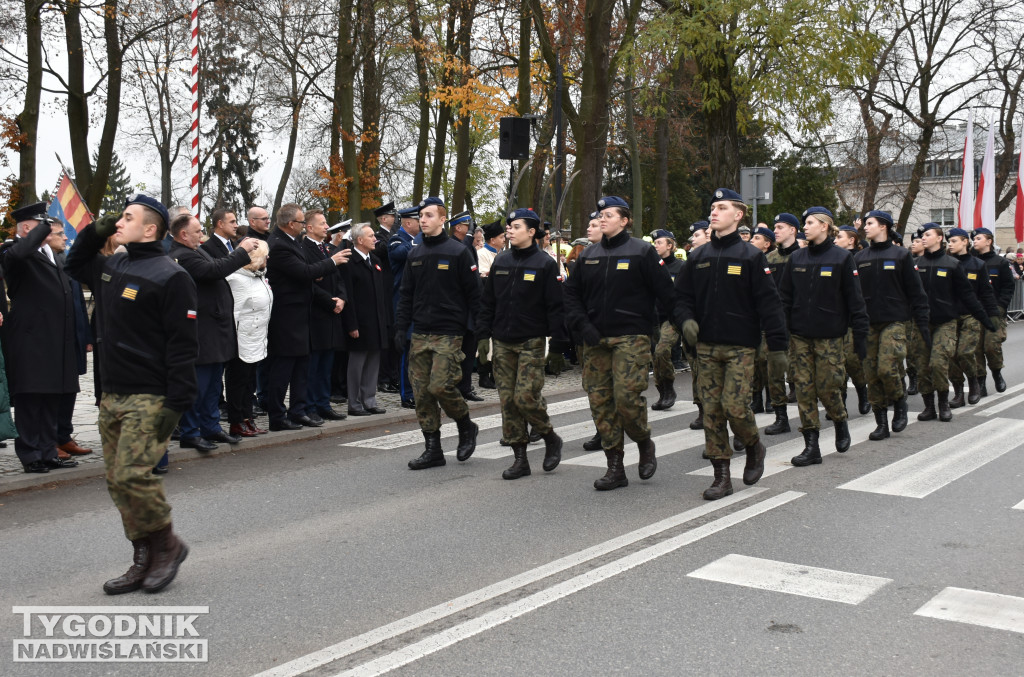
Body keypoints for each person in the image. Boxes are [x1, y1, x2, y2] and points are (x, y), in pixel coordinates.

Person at [65, 194, 198, 594]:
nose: (118, 223)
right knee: (116, 482)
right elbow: (74, 264)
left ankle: (167, 545)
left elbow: (183, 344)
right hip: (112, 392)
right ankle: (143, 557)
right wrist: (96, 230)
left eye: (126, 218)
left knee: (133, 475)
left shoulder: (171, 275)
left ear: (151, 229)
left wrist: (176, 403)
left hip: (150, 393)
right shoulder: (115, 264)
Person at [676, 189, 787, 500]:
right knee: (711, 412)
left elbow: (770, 304)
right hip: (707, 348)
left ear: (738, 216)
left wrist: (777, 348)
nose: (714, 212)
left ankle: (754, 445)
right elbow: (681, 298)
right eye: (712, 207)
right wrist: (686, 320)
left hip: (741, 346)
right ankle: (722, 476)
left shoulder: (751, 257)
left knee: (736, 406)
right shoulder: (698, 257)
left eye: (721, 207)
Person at [564, 196, 675, 491]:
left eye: (609, 214)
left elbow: (665, 291)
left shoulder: (641, 251)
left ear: (624, 220)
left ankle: (643, 442)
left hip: (631, 337)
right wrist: (583, 326)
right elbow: (571, 295)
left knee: (626, 399)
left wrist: (678, 324)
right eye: (600, 214)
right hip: (595, 339)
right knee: (600, 403)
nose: (602, 218)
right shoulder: (588, 255)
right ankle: (615, 467)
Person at [477, 208, 567, 479]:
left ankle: (550, 437)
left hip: (532, 340)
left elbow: (555, 306)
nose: (510, 230)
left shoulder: (544, 263)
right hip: (502, 340)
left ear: (531, 232)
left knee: (525, 397)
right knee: (508, 401)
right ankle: (520, 458)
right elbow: (488, 301)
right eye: (509, 226)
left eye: (516, 226)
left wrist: (558, 345)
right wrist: (482, 335)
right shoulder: (501, 260)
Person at [395, 196, 481, 469]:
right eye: (421, 215)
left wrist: (474, 330)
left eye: (429, 215)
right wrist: (400, 328)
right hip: (420, 332)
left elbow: (474, 295)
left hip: (449, 332)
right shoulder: (415, 254)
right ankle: (433, 448)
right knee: (422, 393)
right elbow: (406, 294)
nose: (423, 219)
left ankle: (466, 425)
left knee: (441, 385)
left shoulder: (457, 251)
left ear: (442, 219)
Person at [779, 208, 868, 466]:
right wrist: (782, 331)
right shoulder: (796, 257)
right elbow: (784, 298)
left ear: (825, 226)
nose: (805, 227)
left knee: (829, 386)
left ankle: (840, 421)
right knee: (804, 389)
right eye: (804, 222)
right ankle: (811, 446)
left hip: (830, 336)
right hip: (799, 336)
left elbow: (855, 300)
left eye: (810, 223)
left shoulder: (841, 258)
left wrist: (860, 337)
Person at [0, 203, 80, 473]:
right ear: (26, 228)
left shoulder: (52, 255)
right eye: (41, 225)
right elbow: (21, 252)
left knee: (50, 399)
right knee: (31, 399)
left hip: (56, 340)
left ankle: (48, 450)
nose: (51, 230)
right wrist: (45, 227)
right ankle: (31, 454)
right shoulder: (14, 251)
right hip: (30, 340)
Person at [169, 213, 257, 452]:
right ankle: (191, 431)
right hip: (202, 332)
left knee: (213, 386)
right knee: (200, 386)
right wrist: (242, 251)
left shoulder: (195, 250)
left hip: (215, 330)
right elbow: (213, 270)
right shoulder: (180, 255)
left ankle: (211, 427)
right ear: (183, 234)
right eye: (197, 231)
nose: (202, 235)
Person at [265, 203, 350, 430]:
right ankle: (277, 416)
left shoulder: (292, 242)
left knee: (302, 366)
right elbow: (303, 272)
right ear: (291, 224)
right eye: (302, 222)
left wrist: (314, 275)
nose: (303, 226)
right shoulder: (279, 245)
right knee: (283, 368)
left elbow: (306, 273)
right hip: (286, 316)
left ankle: (298, 410)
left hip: (301, 314)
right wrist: (332, 261)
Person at [854, 211, 930, 439]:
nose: (865, 227)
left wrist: (922, 324)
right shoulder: (859, 257)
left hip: (896, 321)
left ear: (883, 226)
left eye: (870, 223)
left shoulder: (901, 255)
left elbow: (916, 292)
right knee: (872, 374)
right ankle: (880, 423)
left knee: (887, 368)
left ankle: (899, 403)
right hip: (868, 323)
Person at [910, 224, 994, 421]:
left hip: (945, 322)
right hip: (921, 323)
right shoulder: (915, 264)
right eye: (922, 235)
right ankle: (928, 406)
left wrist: (987, 319)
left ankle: (943, 403)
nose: (923, 238)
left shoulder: (952, 264)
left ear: (939, 238)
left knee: (939, 363)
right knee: (922, 366)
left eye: (928, 235)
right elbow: (908, 293)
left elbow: (968, 296)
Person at [49, 223, 95, 459]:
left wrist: (85, 336)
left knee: (71, 388)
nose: (65, 238)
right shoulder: (45, 263)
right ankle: (51, 438)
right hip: (56, 338)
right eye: (60, 234)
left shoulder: (66, 261)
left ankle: (64, 436)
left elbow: (78, 302)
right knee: (55, 390)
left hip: (74, 335)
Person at [302, 210, 349, 423]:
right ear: (309, 227)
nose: (326, 226)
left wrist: (342, 298)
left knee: (327, 364)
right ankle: (310, 405)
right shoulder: (304, 249)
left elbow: (339, 278)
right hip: (317, 314)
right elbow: (308, 282)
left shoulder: (329, 249)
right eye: (322, 223)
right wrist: (330, 302)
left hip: (333, 314)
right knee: (314, 366)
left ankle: (323, 403)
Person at [341, 223, 390, 416]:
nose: (375, 239)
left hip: (376, 321)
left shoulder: (375, 260)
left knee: (373, 363)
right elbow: (349, 296)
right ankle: (354, 403)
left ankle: (369, 399)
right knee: (357, 364)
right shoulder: (349, 262)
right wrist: (351, 324)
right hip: (359, 323)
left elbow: (381, 294)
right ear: (359, 240)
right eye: (371, 236)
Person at [946, 227, 999, 407]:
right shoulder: (946, 263)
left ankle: (974, 382)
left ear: (964, 242)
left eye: (953, 241)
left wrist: (993, 316)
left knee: (965, 352)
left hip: (971, 316)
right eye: (948, 241)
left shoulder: (977, 265)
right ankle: (959, 392)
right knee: (951, 356)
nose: (950, 244)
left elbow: (986, 293)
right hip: (950, 316)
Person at [225, 240, 272, 437]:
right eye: (265, 254)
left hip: (257, 338)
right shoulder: (236, 279)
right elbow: (233, 314)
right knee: (238, 383)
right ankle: (236, 421)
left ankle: (247, 418)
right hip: (241, 340)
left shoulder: (259, 276)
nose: (268, 258)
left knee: (249, 384)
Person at [762, 213, 801, 435]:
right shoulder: (770, 259)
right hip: (775, 323)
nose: (775, 231)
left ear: (793, 230)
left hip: (798, 323)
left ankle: (809, 415)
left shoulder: (803, 256)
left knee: (800, 372)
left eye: (780, 227)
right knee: (774, 371)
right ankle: (781, 417)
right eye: (775, 227)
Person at [972, 228, 1012, 394]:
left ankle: (996, 372)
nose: (974, 241)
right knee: (976, 349)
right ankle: (980, 381)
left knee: (991, 346)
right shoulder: (970, 262)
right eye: (973, 238)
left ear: (988, 241)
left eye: (978, 238)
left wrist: (1000, 307)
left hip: (993, 312)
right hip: (974, 312)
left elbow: (1008, 287)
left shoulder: (1000, 262)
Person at [389, 205, 421, 409]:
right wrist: (419, 242)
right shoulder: (397, 239)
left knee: (418, 352)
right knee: (407, 352)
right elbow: (402, 254)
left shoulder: (416, 241)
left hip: (419, 303)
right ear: (408, 223)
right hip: (403, 303)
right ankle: (406, 394)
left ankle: (417, 390)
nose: (423, 223)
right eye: (420, 220)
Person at [836, 224, 871, 415]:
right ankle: (840, 402)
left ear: (851, 240)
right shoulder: (832, 257)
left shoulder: (859, 258)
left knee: (853, 361)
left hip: (853, 319)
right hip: (835, 319)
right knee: (837, 364)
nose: (835, 240)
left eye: (839, 237)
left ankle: (862, 393)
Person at [650, 229, 684, 411]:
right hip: (653, 318)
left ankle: (669, 388)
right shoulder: (652, 266)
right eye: (654, 243)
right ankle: (661, 391)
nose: (656, 246)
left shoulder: (681, 267)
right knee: (656, 356)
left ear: (670, 245)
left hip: (671, 319)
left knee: (662, 351)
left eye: (659, 243)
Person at [685, 221, 710, 432]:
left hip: (721, 332)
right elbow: (682, 295)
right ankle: (702, 410)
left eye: (697, 235)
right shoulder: (692, 259)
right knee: (696, 372)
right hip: (696, 329)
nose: (693, 240)